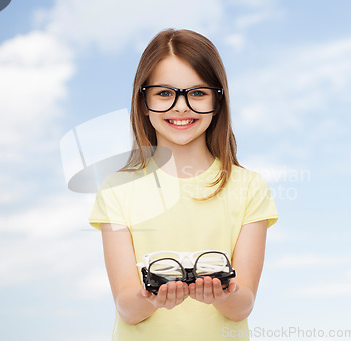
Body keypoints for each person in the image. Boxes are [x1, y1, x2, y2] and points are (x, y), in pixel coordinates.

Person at [89, 28, 278, 341]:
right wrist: (149, 297)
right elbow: (127, 308)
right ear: (143, 101)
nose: (181, 106)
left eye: (197, 93)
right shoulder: (117, 189)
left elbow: (242, 306)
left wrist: (222, 293)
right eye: (164, 93)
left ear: (218, 101)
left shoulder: (249, 187)